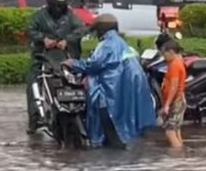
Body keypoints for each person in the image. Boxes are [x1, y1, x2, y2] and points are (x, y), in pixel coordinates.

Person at [66, 14, 157, 148]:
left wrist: (73, 63)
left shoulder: (106, 45)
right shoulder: (122, 43)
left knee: (112, 123)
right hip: (132, 87)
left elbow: (94, 65)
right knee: (128, 122)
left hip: (114, 88)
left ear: (101, 29)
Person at [26, 0, 87, 134]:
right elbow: (30, 29)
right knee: (33, 82)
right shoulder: (39, 15)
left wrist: (67, 40)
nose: (59, 9)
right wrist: (43, 39)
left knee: (79, 81)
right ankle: (35, 118)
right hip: (43, 57)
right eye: (56, 6)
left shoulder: (71, 15)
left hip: (67, 57)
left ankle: (83, 113)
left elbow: (81, 29)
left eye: (62, 6)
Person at [160, 40, 187, 148]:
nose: (164, 56)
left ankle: (177, 157)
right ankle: (181, 154)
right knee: (176, 130)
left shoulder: (175, 65)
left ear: (171, 52)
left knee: (170, 131)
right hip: (179, 100)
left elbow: (174, 87)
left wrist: (167, 105)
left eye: (164, 53)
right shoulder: (178, 62)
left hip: (175, 102)